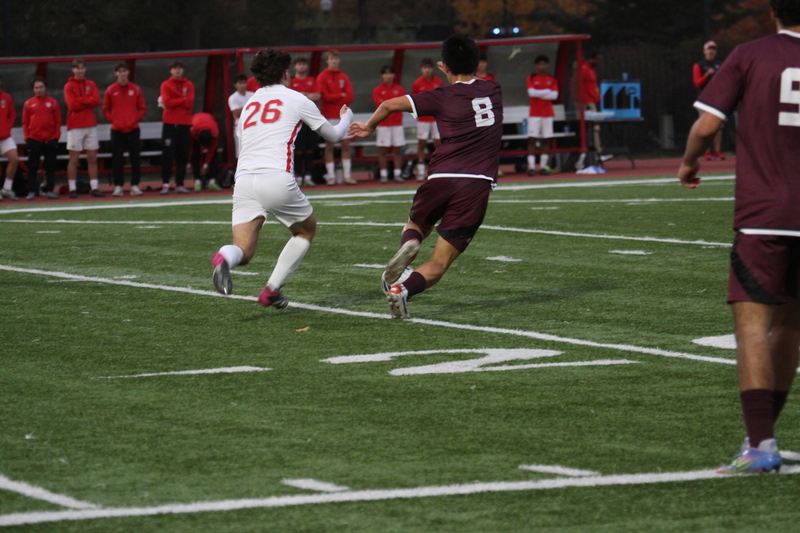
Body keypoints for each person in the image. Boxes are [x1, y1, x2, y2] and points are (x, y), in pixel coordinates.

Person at [678, 0, 800, 475]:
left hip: (765, 214)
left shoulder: (750, 54)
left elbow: (708, 125)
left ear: (773, 10)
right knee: (791, 327)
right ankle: (762, 438)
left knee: (753, 325)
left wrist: (689, 162)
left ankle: (760, 443)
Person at [349, 34, 503, 319]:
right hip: (476, 185)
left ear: (444, 67)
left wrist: (369, 127)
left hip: (440, 177)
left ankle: (412, 242)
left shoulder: (441, 96)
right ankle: (402, 291)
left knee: (416, 224)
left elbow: (387, 106)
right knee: (441, 262)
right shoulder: (494, 88)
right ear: (477, 63)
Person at [210, 48, 353, 307]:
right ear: (286, 73)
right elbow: (334, 136)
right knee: (305, 231)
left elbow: (245, 141)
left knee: (244, 250)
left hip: (243, 180)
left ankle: (223, 257)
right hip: (275, 176)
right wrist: (347, 118)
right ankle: (272, 289)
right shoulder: (296, 98)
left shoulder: (249, 104)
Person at [102, 62, 146, 197]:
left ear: (128, 73)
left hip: (133, 128)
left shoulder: (136, 89)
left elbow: (142, 108)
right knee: (117, 159)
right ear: (116, 73)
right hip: (117, 129)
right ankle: (118, 186)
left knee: (135, 158)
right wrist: (114, 120)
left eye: (124, 71)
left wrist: (134, 120)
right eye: (119, 71)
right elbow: (105, 109)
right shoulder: (110, 90)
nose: (122, 74)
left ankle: (134, 185)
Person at [63, 58, 103, 198]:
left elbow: (97, 101)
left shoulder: (91, 84)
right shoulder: (68, 86)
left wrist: (80, 100)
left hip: (90, 124)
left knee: (92, 158)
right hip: (75, 126)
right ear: (73, 70)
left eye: (82, 68)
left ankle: (94, 187)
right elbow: (72, 106)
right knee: (74, 159)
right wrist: (87, 100)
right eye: (77, 68)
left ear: (85, 69)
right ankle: (72, 188)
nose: (80, 71)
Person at [317, 50, 355, 185]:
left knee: (346, 145)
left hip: (343, 115)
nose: (334, 61)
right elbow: (325, 97)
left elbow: (350, 96)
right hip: (328, 116)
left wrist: (337, 96)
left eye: (336, 59)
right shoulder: (322, 77)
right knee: (330, 146)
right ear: (327, 60)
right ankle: (331, 176)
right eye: (331, 59)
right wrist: (341, 95)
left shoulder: (344, 77)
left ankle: (347, 176)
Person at [22, 77, 61, 200]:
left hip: (50, 139)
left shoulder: (53, 102)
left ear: (45, 88)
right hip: (34, 139)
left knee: (50, 167)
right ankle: (33, 191)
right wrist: (27, 137)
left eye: (41, 87)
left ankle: (50, 190)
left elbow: (58, 121)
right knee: (32, 167)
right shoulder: (28, 103)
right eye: (36, 88)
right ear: (33, 89)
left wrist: (55, 137)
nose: (39, 90)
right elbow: (25, 122)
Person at [160, 60, 194, 194]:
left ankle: (179, 183)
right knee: (168, 154)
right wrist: (182, 98)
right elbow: (167, 103)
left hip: (185, 123)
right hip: (169, 123)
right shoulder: (166, 84)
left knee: (183, 154)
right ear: (171, 70)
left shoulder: (189, 84)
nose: (177, 70)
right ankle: (165, 183)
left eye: (180, 68)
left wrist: (178, 100)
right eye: (175, 68)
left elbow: (190, 103)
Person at [575, 51, 611, 170]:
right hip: (587, 102)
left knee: (595, 127)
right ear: (591, 59)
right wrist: (583, 102)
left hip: (592, 100)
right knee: (595, 127)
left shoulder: (591, 69)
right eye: (598, 59)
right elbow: (578, 85)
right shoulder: (584, 69)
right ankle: (597, 152)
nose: (599, 62)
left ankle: (597, 152)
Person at [372, 65, 407, 184]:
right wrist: (392, 106)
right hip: (383, 124)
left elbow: (401, 105)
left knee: (397, 150)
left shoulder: (399, 89)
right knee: (383, 151)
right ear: (382, 76)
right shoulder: (377, 90)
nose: (388, 76)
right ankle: (383, 174)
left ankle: (398, 173)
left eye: (391, 73)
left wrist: (390, 106)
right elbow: (380, 105)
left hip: (397, 123)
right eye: (386, 73)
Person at [290, 56, 321, 187]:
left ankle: (308, 176)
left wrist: (304, 95)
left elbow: (317, 95)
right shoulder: (291, 82)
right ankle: (297, 175)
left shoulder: (312, 80)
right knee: (297, 149)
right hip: (296, 119)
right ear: (295, 67)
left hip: (310, 119)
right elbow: (290, 97)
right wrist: (306, 96)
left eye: (304, 64)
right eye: (299, 64)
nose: (302, 66)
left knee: (310, 149)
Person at [410, 58, 443, 181]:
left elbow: (442, 98)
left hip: (435, 118)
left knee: (438, 143)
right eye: (425, 68)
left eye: (429, 67)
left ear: (432, 69)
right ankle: (420, 169)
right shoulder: (417, 83)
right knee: (421, 143)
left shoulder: (438, 82)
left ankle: (440, 167)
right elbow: (414, 100)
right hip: (423, 119)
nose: (427, 70)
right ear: (421, 69)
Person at [526, 55, 559, 176]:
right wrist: (547, 91)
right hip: (534, 113)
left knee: (546, 139)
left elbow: (554, 96)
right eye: (540, 64)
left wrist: (539, 93)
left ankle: (543, 166)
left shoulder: (552, 78)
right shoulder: (531, 77)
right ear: (536, 66)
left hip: (548, 113)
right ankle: (531, 167)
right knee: (532, 139)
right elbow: (531, 93)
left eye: (544, 64)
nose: (542, 66)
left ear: (548, 65)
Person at [692, 41, 725, 160]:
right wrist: (707, 75)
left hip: (718, 98)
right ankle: (706, 151)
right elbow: (697, 83)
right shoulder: (699, 65)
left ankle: (717, 151)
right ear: (704, 51)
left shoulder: (720, 64)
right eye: (709, 49)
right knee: (705, 126)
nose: (711, 51)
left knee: (718, 126)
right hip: (704, 99)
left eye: (713, 49)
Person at [189, 112, 222, 191]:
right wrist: (189, 164)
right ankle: (197, 180)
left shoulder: (214, 132)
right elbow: (189, 149)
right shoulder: (192, 130)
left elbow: (212, 150)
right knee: (195, 154)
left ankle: (212, 181)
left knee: (214, 154)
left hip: (206, 123)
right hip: (196, 125)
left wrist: (205, 165)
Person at [228, 74, 254, 167]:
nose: (242, 85)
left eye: (244, 83)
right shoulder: (233, 98)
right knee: (241, 151)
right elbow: (236, 113)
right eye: (240, 83)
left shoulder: (252, 95)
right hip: (240, 127)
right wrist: (250, 107)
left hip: (253, 126)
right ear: (235, 84)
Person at [0, 76, 19, 200]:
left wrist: (6, 129)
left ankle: (6, 188)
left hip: (5, 136)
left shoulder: (6, 97)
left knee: (14, 158)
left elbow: (12, 115)